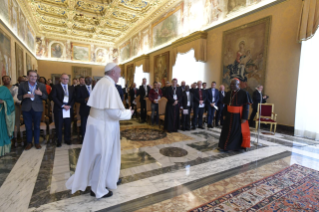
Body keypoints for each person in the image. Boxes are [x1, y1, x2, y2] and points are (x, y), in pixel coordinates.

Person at [66, 63, 133, 199]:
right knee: (103, 157)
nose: (120, 75)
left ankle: (103, 181)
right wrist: (128, 113)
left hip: (96, 125)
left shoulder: (101, 83)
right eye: (119, 72)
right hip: (104, 127)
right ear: (113, 72)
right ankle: (99, 190)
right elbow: (113, 113)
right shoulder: (109, 86)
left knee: (98, 157)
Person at [218, 79, 252, 151]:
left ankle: (237, 147)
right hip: (229, 115)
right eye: (231, 84)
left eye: (233, 84)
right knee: (227, 131)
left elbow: (246, 107)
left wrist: (244, 117)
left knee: (237, 132)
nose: (232, 86)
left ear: (238, 84)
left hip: (238, 116)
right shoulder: (228, 93)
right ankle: (225, 146)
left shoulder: (244, 93)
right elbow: (226, 105)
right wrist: (224, 114)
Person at [18, 70, 48, 150]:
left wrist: (40, 94)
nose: (33, 78)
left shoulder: (41, 85)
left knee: (37, 126)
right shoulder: (22, 85)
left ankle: (37, 142)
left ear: (37, 77)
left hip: (38, 108)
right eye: (31, 76)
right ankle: (29, 143)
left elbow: (46, 96)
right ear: (28, 76)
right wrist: (25, 96)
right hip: (26, 108)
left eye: (35, 76)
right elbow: (19, 97)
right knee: (28, 127)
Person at [51, 74, 75, 147]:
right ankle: (59, 141)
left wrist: (69, 106)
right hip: (59, 109)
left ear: (68, 80)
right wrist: (63, 105)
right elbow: (53, 97)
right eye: (63, 79)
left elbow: (74, 98)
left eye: (67, 79)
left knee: (67, 125)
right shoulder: (56, 87)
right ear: (60, 79)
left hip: (68, 109)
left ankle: (67, 139)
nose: (65, 80)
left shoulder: (71, 88)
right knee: (59, 125)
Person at [76, 76, 93, 141]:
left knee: (93, 124)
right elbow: (77, 99)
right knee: (84, 124)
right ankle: (84, 138)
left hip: (94, 110)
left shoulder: (95, 88)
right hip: (84, 109)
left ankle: (92, 137)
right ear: (85, 81)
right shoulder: (80, 88)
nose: (88, 81)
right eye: (87, 80)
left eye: (90, 80)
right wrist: (85, 99)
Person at [0, 85, 15, 157]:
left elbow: (10, 101)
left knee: (1, 130)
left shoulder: (4, 89)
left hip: (2, 114)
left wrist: (3, 101)